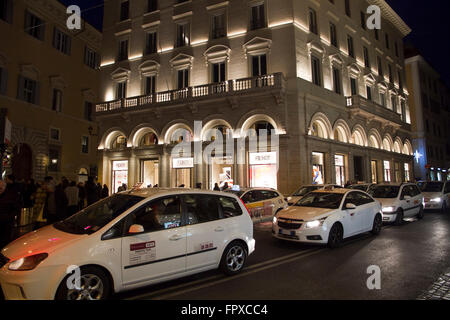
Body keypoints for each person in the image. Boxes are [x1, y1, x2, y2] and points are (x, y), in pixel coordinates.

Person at [0, 180, 21, 248]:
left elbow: (16, 208)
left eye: (0, 188)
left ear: (4, 187)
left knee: (5, 240)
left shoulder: (11, 195)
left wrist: (9, 217)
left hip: (7, 222)